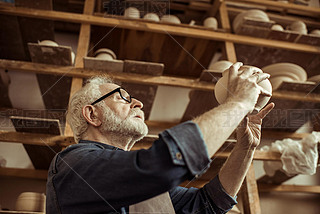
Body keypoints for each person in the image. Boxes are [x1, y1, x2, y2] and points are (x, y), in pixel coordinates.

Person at [46, 62, 274, 213]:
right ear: (92, 114)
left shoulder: (138, 178)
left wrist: (245, 148)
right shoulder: (73, 163)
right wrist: (239, 103)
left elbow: (207, 205)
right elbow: (163, 164)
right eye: (123, 98)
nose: (138, 103)